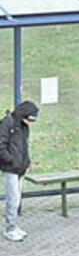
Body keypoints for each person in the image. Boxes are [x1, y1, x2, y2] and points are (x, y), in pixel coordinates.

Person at [0, 100, 39, 242]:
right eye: (29, 119)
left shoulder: (23, 126)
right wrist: (10, 160)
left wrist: (26, 162)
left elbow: (23, 146)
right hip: (10, 168)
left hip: (20, 168)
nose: (29, 122)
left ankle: (14, 226)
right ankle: (10, 229)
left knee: (17, 199)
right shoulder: (7, 123)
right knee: (13, 199)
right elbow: (1, 145)